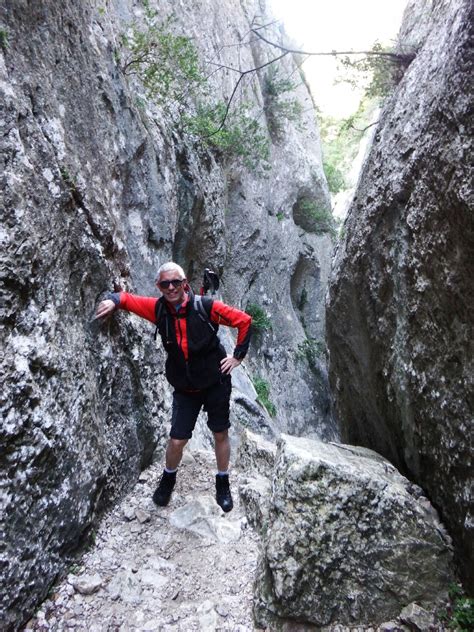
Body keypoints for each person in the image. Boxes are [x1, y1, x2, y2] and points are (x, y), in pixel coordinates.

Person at [95, 262, 252, 512]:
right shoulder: (158, 310)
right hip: (185, 389)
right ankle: (168, 479)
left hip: (215, 382)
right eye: (164, 284)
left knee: (220, 433)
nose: (170, 288)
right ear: (159, 286)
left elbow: (244, 321)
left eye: (175, 282)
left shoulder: (205, 307)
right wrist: (113, 300)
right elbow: (127, 299)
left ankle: (222, 482)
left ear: (184, 283)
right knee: (177, 440)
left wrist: (237, 357)